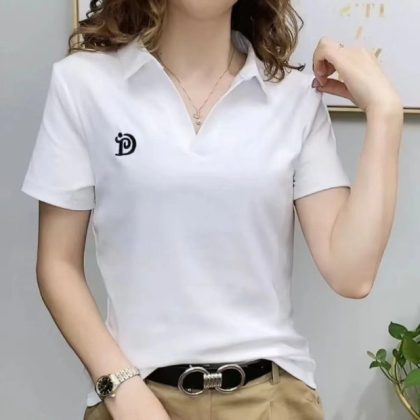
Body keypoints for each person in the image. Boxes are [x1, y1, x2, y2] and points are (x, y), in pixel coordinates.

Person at [20, 0, 404, 419]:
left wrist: (384, 114)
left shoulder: (294, 96)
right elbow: (57, 264)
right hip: (135, 394)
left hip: (271, 400)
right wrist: (122, 388)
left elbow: (352, 274)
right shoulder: (83, 83)